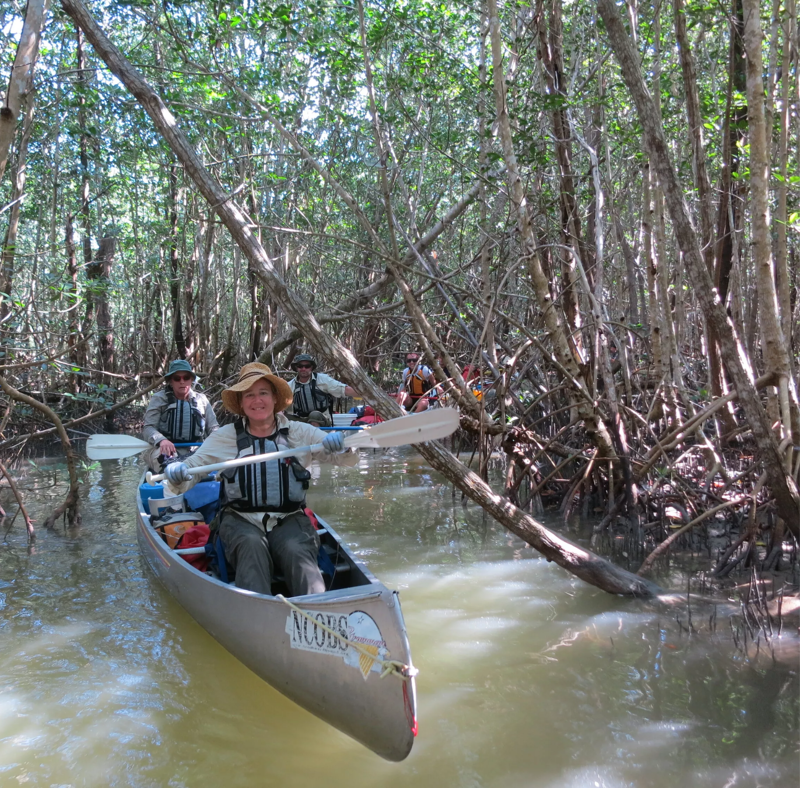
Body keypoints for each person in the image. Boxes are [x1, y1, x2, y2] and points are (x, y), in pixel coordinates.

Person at [162, 362, 358, 597]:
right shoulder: (225, 437)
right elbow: (193, 468)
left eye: (263, 393)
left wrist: (342, 446)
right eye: (249, 395)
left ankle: (316, 607)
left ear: (275, 398)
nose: (257, 401)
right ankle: (257, 610)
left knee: (297, 551)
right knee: (252, 547)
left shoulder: (301, 432)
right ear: (241, 403)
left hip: (289, 517)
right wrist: (178, 471)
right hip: (239, 519)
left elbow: (346, 459)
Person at [142, 359, 218, 472]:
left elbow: (214, 428)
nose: (182, 382)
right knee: (167, 463)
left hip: (196, 450)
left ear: (191, 380)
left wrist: (218, 442)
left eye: (186, 378)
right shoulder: (159, 399)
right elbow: (148, 428)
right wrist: (162, 440)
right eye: (177, 378)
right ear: (171, 381)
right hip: (165, 450)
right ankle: (172, 472)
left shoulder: (202, 400)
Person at [286, 353, 359, 423]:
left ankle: (315, 431)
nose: (303, 369)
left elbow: (344, 390)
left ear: (311, 367)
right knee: (282, 417)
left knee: (314, 415)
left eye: (307, 366)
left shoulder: (323, 380)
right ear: (296, 368)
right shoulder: (289, 386)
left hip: (322, 419)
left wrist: (364, 394)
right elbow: (282, 405)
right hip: (301, 420)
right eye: (300, 366)